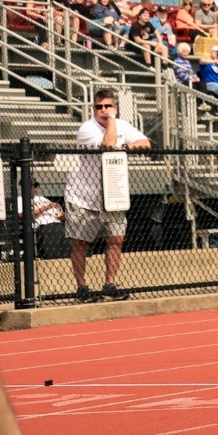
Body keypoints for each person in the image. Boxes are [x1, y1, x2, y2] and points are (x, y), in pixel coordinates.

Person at [66, 89, 150, 301]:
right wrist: (111, 122)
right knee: (81, 243)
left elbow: (145, 143)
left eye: (107, 106)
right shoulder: (87, 128)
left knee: (116, 239)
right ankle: (82, 288)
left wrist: (126, 145)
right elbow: (108, 146)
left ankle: (109, 284)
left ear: (115, 107)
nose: (103, 110)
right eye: (99, 107)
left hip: (113, 195)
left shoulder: (123, 125)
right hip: (83, 196)